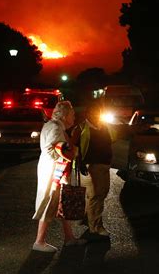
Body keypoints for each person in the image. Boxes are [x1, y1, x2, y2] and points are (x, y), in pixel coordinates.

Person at [32, 101, 87, 252]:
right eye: (72, 114)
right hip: (54, 172)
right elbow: (53, 149)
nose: (74, 117)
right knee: (50, 202)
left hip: (55, 170)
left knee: (63, 203)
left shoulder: (54, 125)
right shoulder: (56, 127)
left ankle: (69, 238)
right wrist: (68, 155)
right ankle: (39, 241)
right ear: (65, 115)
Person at [71, 103, 112, 237]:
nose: (97, 115)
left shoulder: (104, 126)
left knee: (102, 193)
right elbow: (74, 148)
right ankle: (96, 227)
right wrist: (81, 164)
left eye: (98, 112)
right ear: (87, 114)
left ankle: (89, 219)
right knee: (96, 195)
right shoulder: (81, 128)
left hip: (104, 164)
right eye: (94, 112)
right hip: (91, 166)